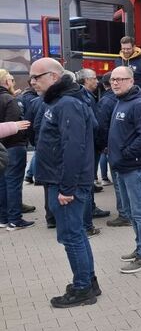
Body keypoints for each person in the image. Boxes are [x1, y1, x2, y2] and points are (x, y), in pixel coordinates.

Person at [29, 58, 100, 307]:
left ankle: (82, 290)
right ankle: (88, 281)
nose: (33, 82)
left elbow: (74, 148)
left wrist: (67, 188)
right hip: (59, 181)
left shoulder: (67, 104)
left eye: (37, 77)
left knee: (71, 236)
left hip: (65, 184)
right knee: (76, 234)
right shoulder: (61, 102)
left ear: (54, 77)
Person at [108, 66, 141, 273]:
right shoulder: (121, 101)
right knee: (132, 214)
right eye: (112, 80)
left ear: (131, 80)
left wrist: (126, 153)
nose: (115, 83)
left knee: (140, 213)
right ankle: (140, 249)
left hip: (135, 167)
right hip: (123, 167)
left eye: (120, 79)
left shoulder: (138, 104)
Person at [0, 70, 34, 231]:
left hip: (2, 148)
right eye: (11, 79)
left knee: (2, 184)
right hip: (13, 147)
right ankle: (15, 220)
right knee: (13, 184)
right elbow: (15, 124)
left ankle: (3, 218)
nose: (13, 82)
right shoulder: (9, 99)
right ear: (6, 82)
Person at [97, 72, 130, 227]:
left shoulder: (106, 101)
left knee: (118, 182)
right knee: (123, 182)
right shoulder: (123, 99)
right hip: (124, 147)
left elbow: (102, 126)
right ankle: (128, 213)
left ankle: (124, 214)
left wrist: (103, 146)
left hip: (115, 148)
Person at [77, 68, 109, 222]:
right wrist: (100, 142)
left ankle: (90, 209)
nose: (97, 82)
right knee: (88, 181)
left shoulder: (86, 96)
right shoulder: (86, 97)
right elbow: (95, 124)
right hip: (92, 145)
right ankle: (89, 211)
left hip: (90, 144)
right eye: (94, 78)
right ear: (86, 80)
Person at [114, 36, 141, 108]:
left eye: (128, 49)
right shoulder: (118, 61)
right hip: (121, 100)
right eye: (123, 48)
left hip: (138, 99)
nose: (125, 51)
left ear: (134, 47)